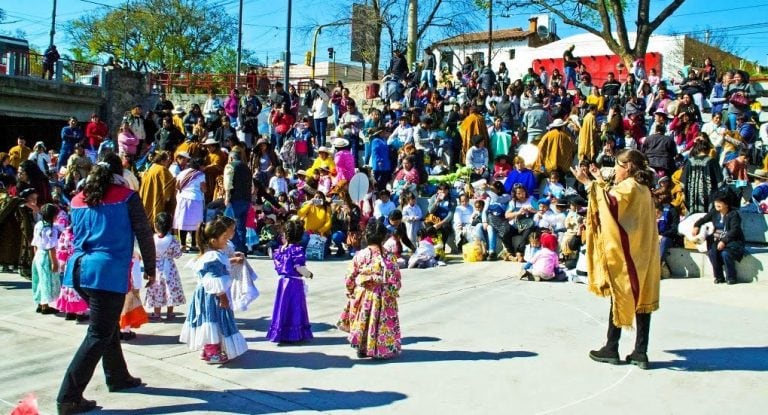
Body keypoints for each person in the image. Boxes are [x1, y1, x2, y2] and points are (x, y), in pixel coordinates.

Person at [57, 156, 156, 414]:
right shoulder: (127, 196)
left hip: (79, 271)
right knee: (98, 334)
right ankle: (68, 397)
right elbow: (144, 234)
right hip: (106, 273)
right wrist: (151, 268)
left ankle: (117, 376)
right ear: (120, 172)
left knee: (107, 325)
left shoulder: (79, 198)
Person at [572, 149, 660, 370]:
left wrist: (587, 183)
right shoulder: (643, 188)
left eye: (619, 166)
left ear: (628, 166)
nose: (616, 170)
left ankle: (611, 347)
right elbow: (613, 196)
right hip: (644, 251)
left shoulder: (629, 186)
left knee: (620, 294)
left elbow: (610, 204)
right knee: (642, 300)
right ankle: (641, 351)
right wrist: (599, 179)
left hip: (629, 251)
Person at [180, 217, 248, 364]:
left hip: (207, 294)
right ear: (213, 240)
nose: (226, 240)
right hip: (213, 296)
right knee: (213, 321)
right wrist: (222, 296)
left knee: (210, 321)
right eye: (224, 237)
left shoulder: (211, 254)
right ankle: (212, 353)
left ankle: (209, 350)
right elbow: (214, 279)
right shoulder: (213, 257)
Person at [338, 219, 402, 359]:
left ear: (366, 236)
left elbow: (350, 276)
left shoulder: (360, 255)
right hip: (384, 295)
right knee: (382, 323)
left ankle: (361, 348)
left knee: (363, 321)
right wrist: (392, 291)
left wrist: (350, 290)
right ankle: (381, 349)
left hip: (364, 294)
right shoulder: (389, 257)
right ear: (384, 237)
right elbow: (396, 279)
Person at [268, 219, 314, 343]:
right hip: (294, 283)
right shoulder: (297, 250)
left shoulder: (280, 250)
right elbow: (299, 267)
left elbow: (277, 265)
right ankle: (294, 334)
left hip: (282, 282)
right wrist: (309, 274)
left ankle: (281, 332)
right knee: (295, 307)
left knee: (282, 306)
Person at [692, 191, 745, 285]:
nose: (717, 204)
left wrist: (724, 241)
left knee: (725, 254)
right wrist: (696, 226)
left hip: (733, 242)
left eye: (720, 202)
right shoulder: (714, 212)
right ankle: (719, 276)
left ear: (727, 204)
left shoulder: (733, 215)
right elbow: (703, 219)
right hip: (717, 240)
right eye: (716, 201)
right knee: (712, 252)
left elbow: (734, 231)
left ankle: (731, 277)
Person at [143, 212, 186, 321]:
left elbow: (148, 253)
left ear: (155, 225)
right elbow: (177, 255)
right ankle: (170, 313)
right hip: (169, 269)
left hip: (156, 269)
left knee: (157, 289)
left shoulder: (152, 239)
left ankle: (157, 314)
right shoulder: (173, 239)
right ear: (170, 226)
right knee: (170, 289)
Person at [31, 203, 61, 315]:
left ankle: (39, 302)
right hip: (46, 256)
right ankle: (45, 305)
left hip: (38, 254)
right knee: (46, 280)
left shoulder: (38, 224)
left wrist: (35, 257)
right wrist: (54, 263)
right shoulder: (50, 228)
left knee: (38, 279)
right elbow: (51, 247)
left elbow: (34, 243)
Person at [223, 150, 252, 253]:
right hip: (246, 199)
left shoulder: (230, 166)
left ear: (231, 158)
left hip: (235, 199)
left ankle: (235, 247)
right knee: (241, 225)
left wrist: (227, 196)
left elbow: (228, 182)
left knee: (228, 223)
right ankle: (242, 248)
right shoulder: (247, 167)